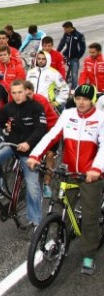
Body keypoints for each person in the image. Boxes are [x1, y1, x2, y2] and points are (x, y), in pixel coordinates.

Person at [27, 84, 104, 275]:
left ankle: (88, 255)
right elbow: (51, 136)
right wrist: (35, 155)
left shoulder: (100, 118)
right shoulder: (68, 114)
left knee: (89, 217)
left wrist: (96, 169)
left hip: (90, 176)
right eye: (78, 98)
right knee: (62, 208)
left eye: (85, 99)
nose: (81, 102)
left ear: (92, 100)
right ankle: (63, 241)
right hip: (68, 172)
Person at [0, 80, 47, 230]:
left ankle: (36, 221)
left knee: (32, 187)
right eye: (14, 93)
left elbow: (40, 129)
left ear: (26, 92)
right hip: (11, 146)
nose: (17, 96)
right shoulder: (8, 107)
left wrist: (28, 143)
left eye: (20, 92)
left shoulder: (36, 107)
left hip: (30, 151)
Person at [24, 80, 59, 198]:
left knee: (49, 155)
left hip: (51, 128)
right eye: (25, 94)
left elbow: (40, 123)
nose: (27, 97)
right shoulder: (20, 101)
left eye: (29, 94)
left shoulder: (41, 101)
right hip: (36, 128)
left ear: (33, 92)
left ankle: (47, 184)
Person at [58, 21, 86, 89]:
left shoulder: (79, 35)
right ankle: (61, 85)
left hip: (74, 58)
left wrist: (78, 57)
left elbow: (83, 48)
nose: (64, 30)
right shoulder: (66, 34)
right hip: (65, 56)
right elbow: (62, 43)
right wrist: (57, 52)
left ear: (70, 28)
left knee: (74, 74)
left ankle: (73, 89)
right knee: (59, 69)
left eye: (65, 29)